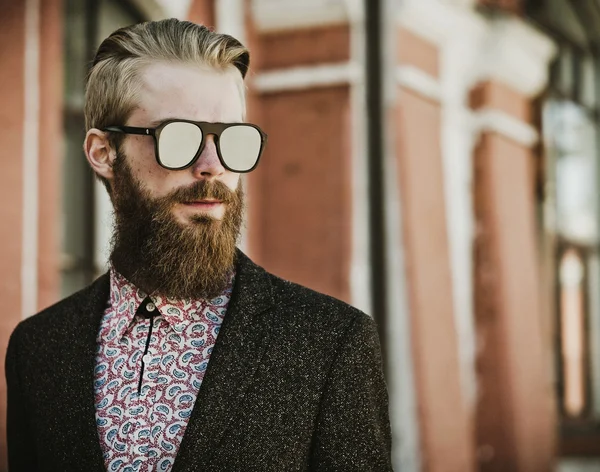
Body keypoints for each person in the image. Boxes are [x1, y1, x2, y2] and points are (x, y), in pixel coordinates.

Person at [5, 18, 392, 472]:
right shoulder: (39, 348)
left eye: (232, 137)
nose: (213, 166)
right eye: (179, 136)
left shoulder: (330, 341)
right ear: (103, 152)